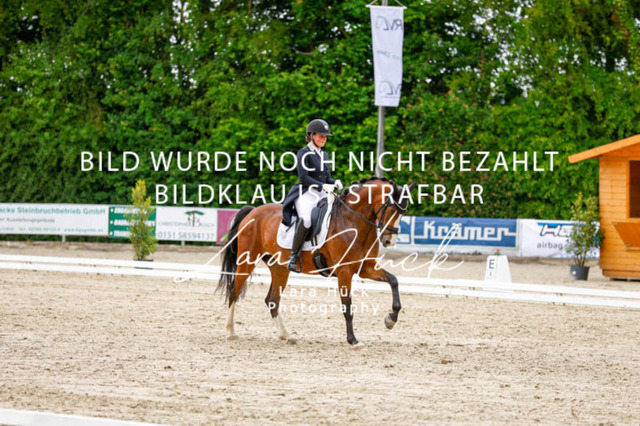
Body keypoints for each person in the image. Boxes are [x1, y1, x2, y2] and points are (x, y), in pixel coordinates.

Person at [281, 119, 343, 272]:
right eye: (321, 136)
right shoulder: (303, 153)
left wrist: (334, 182)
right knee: (307, 219)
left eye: (325, 136)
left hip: (321, 193)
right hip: (305, 192)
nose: (324, 139)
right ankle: (293, 256)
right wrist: (323, 186)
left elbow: (327, 178)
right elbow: (304, 178)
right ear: (311, 135)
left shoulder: (325, 155)